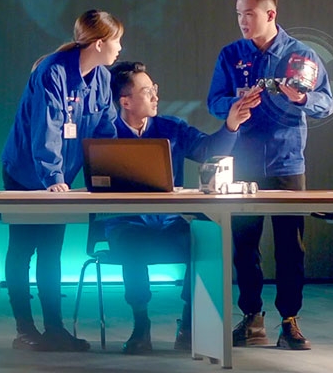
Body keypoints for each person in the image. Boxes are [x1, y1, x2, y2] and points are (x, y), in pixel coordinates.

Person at [206, 0, 333, 351]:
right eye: (239, 14)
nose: (243, 21)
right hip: (243, 163)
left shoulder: (300, 54)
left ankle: (290, 321)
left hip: (286, 162)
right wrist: (235, 103)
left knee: (291, 247)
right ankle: (251, 316)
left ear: (270, 14)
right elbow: (214, 101)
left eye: (250, 14)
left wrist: (303, 98)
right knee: (244, 245)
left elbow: (326, 102)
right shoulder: (231, 54)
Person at [103, 61, 254, 355]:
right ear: (125, 101)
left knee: (207, 243)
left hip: (168, 222)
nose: (155, 96)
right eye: (147, 91)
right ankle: (141, 325)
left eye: (154, 89)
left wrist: (231, 125)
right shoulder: (105, 132)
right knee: (131, 244)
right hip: (126, 223)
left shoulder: (171, 128)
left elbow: (209, 150)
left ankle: (188, 324)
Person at [0, 9, 122, 352]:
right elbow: (48, 127)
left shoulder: (101, 78)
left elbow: (106, 130)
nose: (120, 49)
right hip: (26, 173)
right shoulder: (52, 71)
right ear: (99, 43)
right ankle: (25, 329)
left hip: (60, 180)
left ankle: (54, 328)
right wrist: (52, 176)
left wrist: (115, 171)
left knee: (51, 251)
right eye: (117, 41)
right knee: (23, 249)